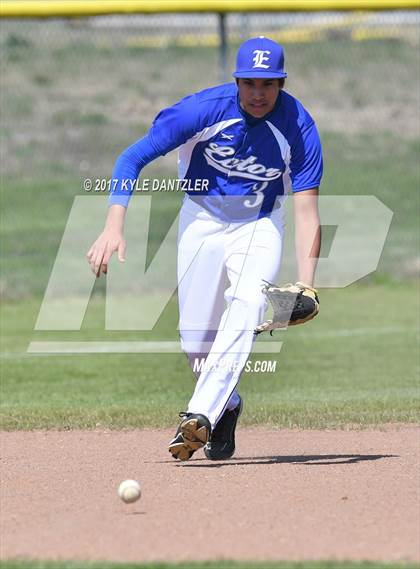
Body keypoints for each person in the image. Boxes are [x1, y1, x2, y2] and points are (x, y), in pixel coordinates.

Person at [86, 37, 323, 461]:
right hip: (202, 220)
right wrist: (113, 223)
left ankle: (200, 414)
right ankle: (228, 405)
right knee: (195, 341)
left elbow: (307, 211)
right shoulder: (203, 110)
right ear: (236, 80)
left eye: (267, 84)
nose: (257, 93)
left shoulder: (298, 126)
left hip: (259, 223)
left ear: (282, 83)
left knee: (248, 303)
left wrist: (307, 283)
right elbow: (131, 158)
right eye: (249, 82)